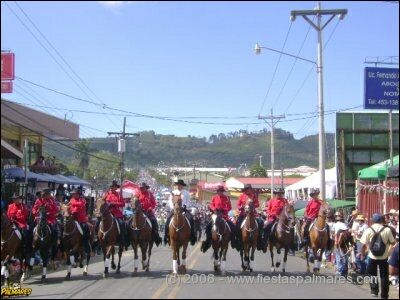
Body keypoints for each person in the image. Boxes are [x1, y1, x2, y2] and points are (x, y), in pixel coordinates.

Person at [360, 213, 396, 299]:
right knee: (384, 276)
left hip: (372, 256)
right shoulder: (387, 230)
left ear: (373, 220)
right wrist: (389, 251)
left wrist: (362, 254)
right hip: (384, 257)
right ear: (381, 220)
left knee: (372, 274)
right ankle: (384, 295)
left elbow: (363, 244)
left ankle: (374, 291)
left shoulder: (368, 230)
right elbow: (393, 243)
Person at [201, 185, 237, 252]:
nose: (219, 192)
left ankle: (233, 241)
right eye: (218, 191)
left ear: (223, 191)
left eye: (221, 191)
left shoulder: (227, 198)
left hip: (224, 216)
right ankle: (208, 241)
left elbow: (230, 207)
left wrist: (224, 209)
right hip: (215, 215)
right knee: (208, 227)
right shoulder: (214, 197)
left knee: (233, 227)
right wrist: (214, 209)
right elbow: (211, 205)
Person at [164, 179, 196, 246]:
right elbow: (170, 201)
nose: (178, 186)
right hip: (175, 209)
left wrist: (185, 206)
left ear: (182, 186)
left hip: (184, 209)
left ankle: (192, 235)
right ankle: (166, 236)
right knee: (168, 219)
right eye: (177, 185)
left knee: (191, 219)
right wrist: (173, 207)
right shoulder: (173, 192)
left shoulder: (186, 193)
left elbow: (188, 202)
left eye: (180, 185)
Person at [236, 184, 264, 251]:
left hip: (252, 214)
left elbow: (257, 204)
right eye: (247, 189)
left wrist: (252, 205)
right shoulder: (241, 196)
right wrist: (242, 207)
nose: (248, 190)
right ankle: (238, 239)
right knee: (237, 224)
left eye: (249, 189)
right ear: (245, 190)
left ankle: (260, 239)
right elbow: (238, 205)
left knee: (261, 222)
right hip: (243, 214)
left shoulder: (254, 196)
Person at [103, 180, 128, 250]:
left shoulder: (119, 195)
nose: (111, 187)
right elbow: (102, 201)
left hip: (117, 214)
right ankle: (98, 241)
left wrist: (113, 203)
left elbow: (122, 204)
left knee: (122, 223)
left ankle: (122, 240)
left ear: (116, 188)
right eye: (110, 186)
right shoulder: (106, 194)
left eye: (113, 186)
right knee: (98, 224)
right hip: (107, 213)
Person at [68, 188, 91, 254]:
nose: (73, 195)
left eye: (74, 194)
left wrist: (72, 203)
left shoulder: (83, 200)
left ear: (78, 194)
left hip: (81, 219)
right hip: (72, 218)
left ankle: (85, 245)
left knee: (86, 229)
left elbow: (80, 204)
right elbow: (68, 206)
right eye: (73, 194)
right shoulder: (72, 199)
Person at [331, 211, 349, 276]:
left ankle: (339, 271)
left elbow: (332, 235)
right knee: (344, 257)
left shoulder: (335, 225)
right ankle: (344, 272)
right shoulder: (345, 224)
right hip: (345, 244)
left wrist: (334, 236)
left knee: (338, 257)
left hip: (337, 243)